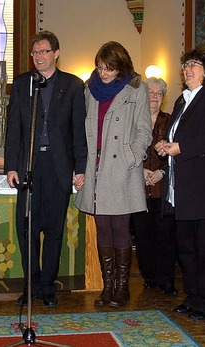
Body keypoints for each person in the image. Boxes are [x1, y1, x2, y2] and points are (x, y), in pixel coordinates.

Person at [4, 30, 87, 308]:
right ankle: (31, 285)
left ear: (56, 53)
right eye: (35, 52)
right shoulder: (21, 83)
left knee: (53, 230)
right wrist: (11, 166)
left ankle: (47, 287)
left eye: (44, 52)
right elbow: (13, 126)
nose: (39, 57)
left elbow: (79, 130)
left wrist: (80, 166)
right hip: (29, 166)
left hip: (59, 167)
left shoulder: (73, 85)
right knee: (27, 229)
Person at [154, 48, 205, 321]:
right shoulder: (182, 100)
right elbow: (178, 134)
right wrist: (166, 144)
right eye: (186, 65)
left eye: (194, 64)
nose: (188, 69)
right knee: (188, 249)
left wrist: (182, 147)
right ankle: (194, 297)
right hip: (184, 190)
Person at [75, 41, 151, 308]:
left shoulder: (136, 89)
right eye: (99, 67)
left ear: (121, 66)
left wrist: (132, 156)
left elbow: (144, 130)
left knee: (120, 228)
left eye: (108, 68)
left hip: (122, 168)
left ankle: (122, 288)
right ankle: (107, 288)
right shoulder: (89, 90)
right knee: (102, 228)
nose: (103, 73)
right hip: (95, 167)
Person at [131, 77, 176, 296]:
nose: (155, 97)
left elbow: (178, 152)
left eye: (159, 94)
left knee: (165, 235)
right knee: (143, 235)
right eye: (151, 92)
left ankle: (166, 280)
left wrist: (161, 172)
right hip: (137, 188)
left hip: (164, 188)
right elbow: (127, 150)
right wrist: (140, 171)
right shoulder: (134, 120)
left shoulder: (171, 120)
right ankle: (149, 277)